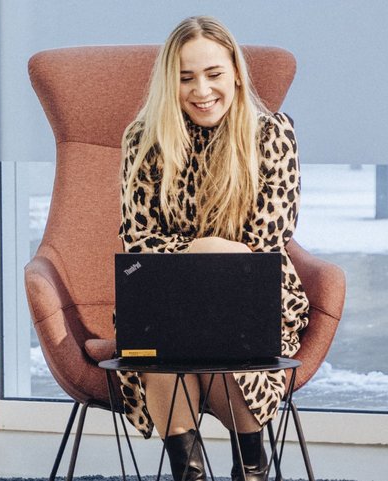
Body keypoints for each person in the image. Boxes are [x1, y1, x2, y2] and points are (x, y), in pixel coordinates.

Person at [116, 16, 310, 481]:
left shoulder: (271, 134)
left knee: (223, 341)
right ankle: (190, 472)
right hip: (166, 302)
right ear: (170, 82)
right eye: (185, 77)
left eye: (213, 74)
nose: (201, 89)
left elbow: (265, 243)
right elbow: (138, 239)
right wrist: (207, 247)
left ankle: (252, 466)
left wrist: (188, 250)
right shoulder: (143, 140)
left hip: (255, 304)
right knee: (158, 346)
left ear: (237, 74)